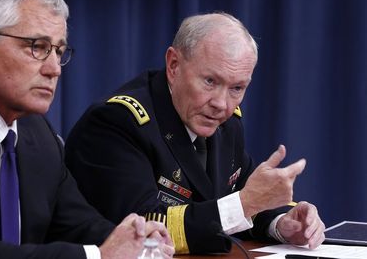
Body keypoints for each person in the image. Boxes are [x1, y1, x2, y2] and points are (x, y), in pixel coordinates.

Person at [0, 0, 174, 259]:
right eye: (37, 47)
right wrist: (98, 256)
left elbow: (78, 225)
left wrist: (135, 239)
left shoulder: (37, 134)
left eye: (59, 51)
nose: (55, 69)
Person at [65, 13, 326, 254]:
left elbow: (240, 195)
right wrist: (246, 203)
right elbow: (144, 228)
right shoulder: (118, 123)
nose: (222, 103)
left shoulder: (226, 123)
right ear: (174, 65)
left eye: (236, 88)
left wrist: (282, 223)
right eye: (210, 81)